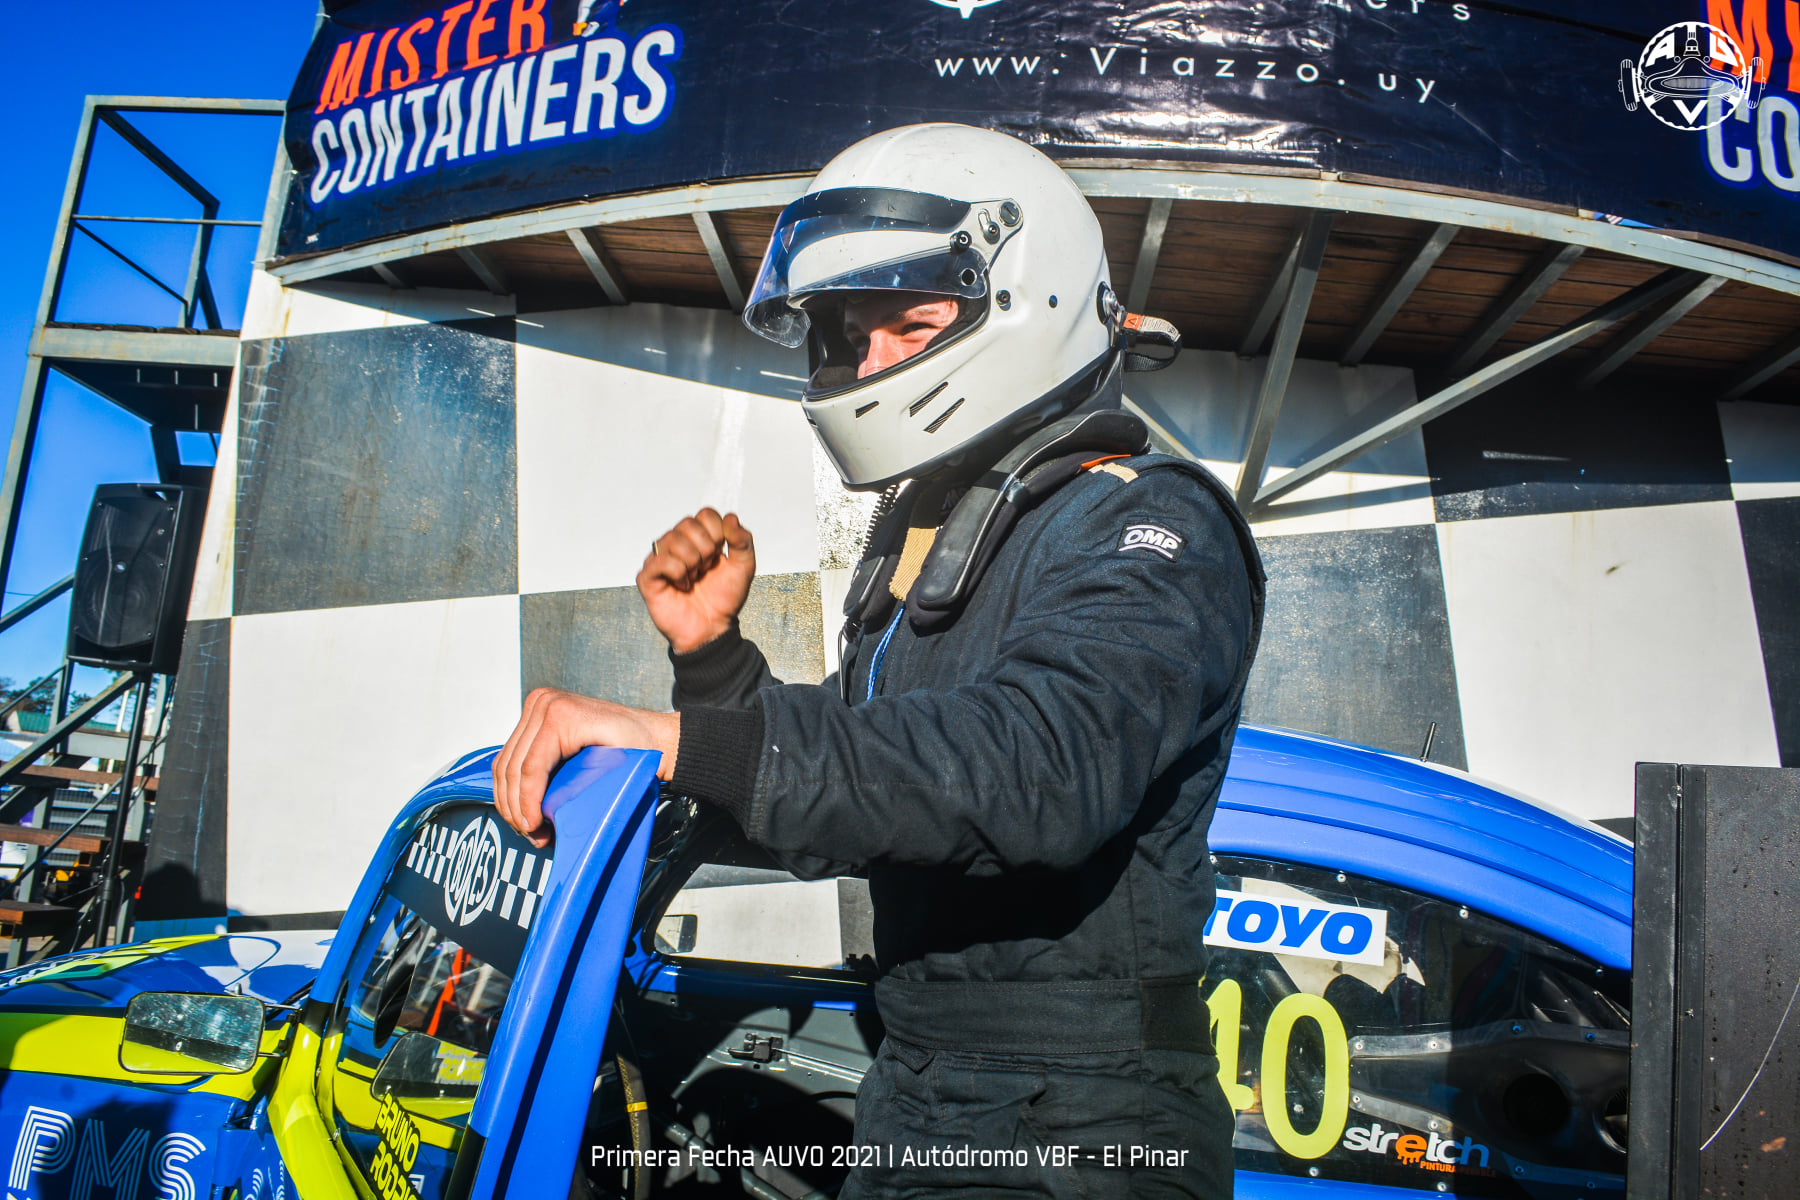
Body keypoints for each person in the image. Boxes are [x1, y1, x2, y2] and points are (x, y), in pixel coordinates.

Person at [494, 123, 1265, 1198]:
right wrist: (713, 664)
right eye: (857, 336)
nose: (871, 365)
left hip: (1084, 1118)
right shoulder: (939, 532)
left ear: (1031, 301)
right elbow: (869, 787)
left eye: (912, 324)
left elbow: (1038, 769)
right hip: (920, 1079)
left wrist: (675, 737)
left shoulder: (1151, 524)